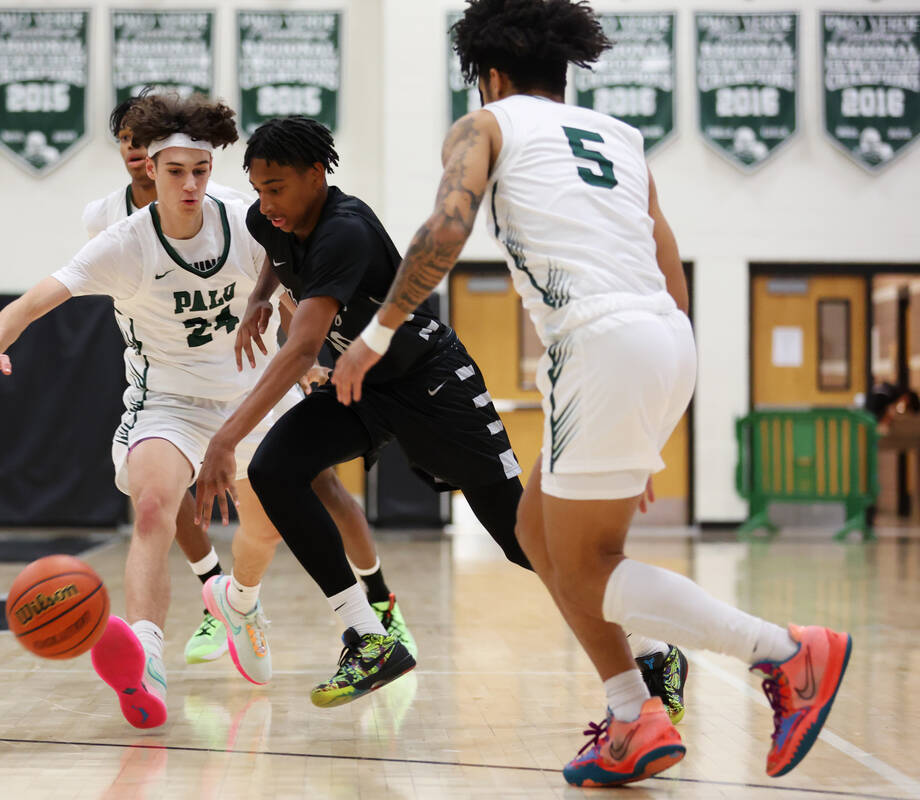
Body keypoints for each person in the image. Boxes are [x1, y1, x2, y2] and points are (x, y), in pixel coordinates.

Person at [332, 0, 851, 787]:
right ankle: (630, 715)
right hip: (663, 336)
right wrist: (649, 413)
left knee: (584, 565)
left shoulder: (487, 125)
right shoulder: (620, 138)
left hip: (601, 340)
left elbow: (444, 227)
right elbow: (668, 264)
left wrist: (375, 336)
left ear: (490, 74)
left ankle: (783, 651)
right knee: (539, 537)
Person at [194, 116, 683, 714]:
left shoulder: (344, 231)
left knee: (522, 541)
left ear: (317, 175)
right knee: (275, 469)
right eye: (259, 188)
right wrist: (259, 298)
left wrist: (224, 437)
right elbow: (277, 252)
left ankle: (655, 646)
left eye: (278, 188)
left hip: (434, 384)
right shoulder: (266, 220)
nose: (267, 203)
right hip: (363, 383)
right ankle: (368, 636)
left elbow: (301, 346)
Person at [0, 94, 282, 730]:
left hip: (252, 394)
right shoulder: (122, 242)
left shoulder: (246, 220)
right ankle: (147, 660)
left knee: (269, 528)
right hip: (166, 397)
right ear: (151, 172)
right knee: (152, 507)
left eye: (200, 169)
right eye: (176, 172)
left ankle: (239, 601)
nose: (190, 183)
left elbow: (299, 297)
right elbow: (31, 302)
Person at [84, 96, 419, 664]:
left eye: (147, 142)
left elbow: (281, 277)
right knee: (162, 493)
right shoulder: (106, 218)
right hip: (173, 376)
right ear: (123, 149)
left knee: (319, 488)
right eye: (128, 142)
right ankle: (216, 598)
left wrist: (303, 352)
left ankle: (376, 603)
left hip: (252, 369)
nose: (139, 153)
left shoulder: (230, 206)